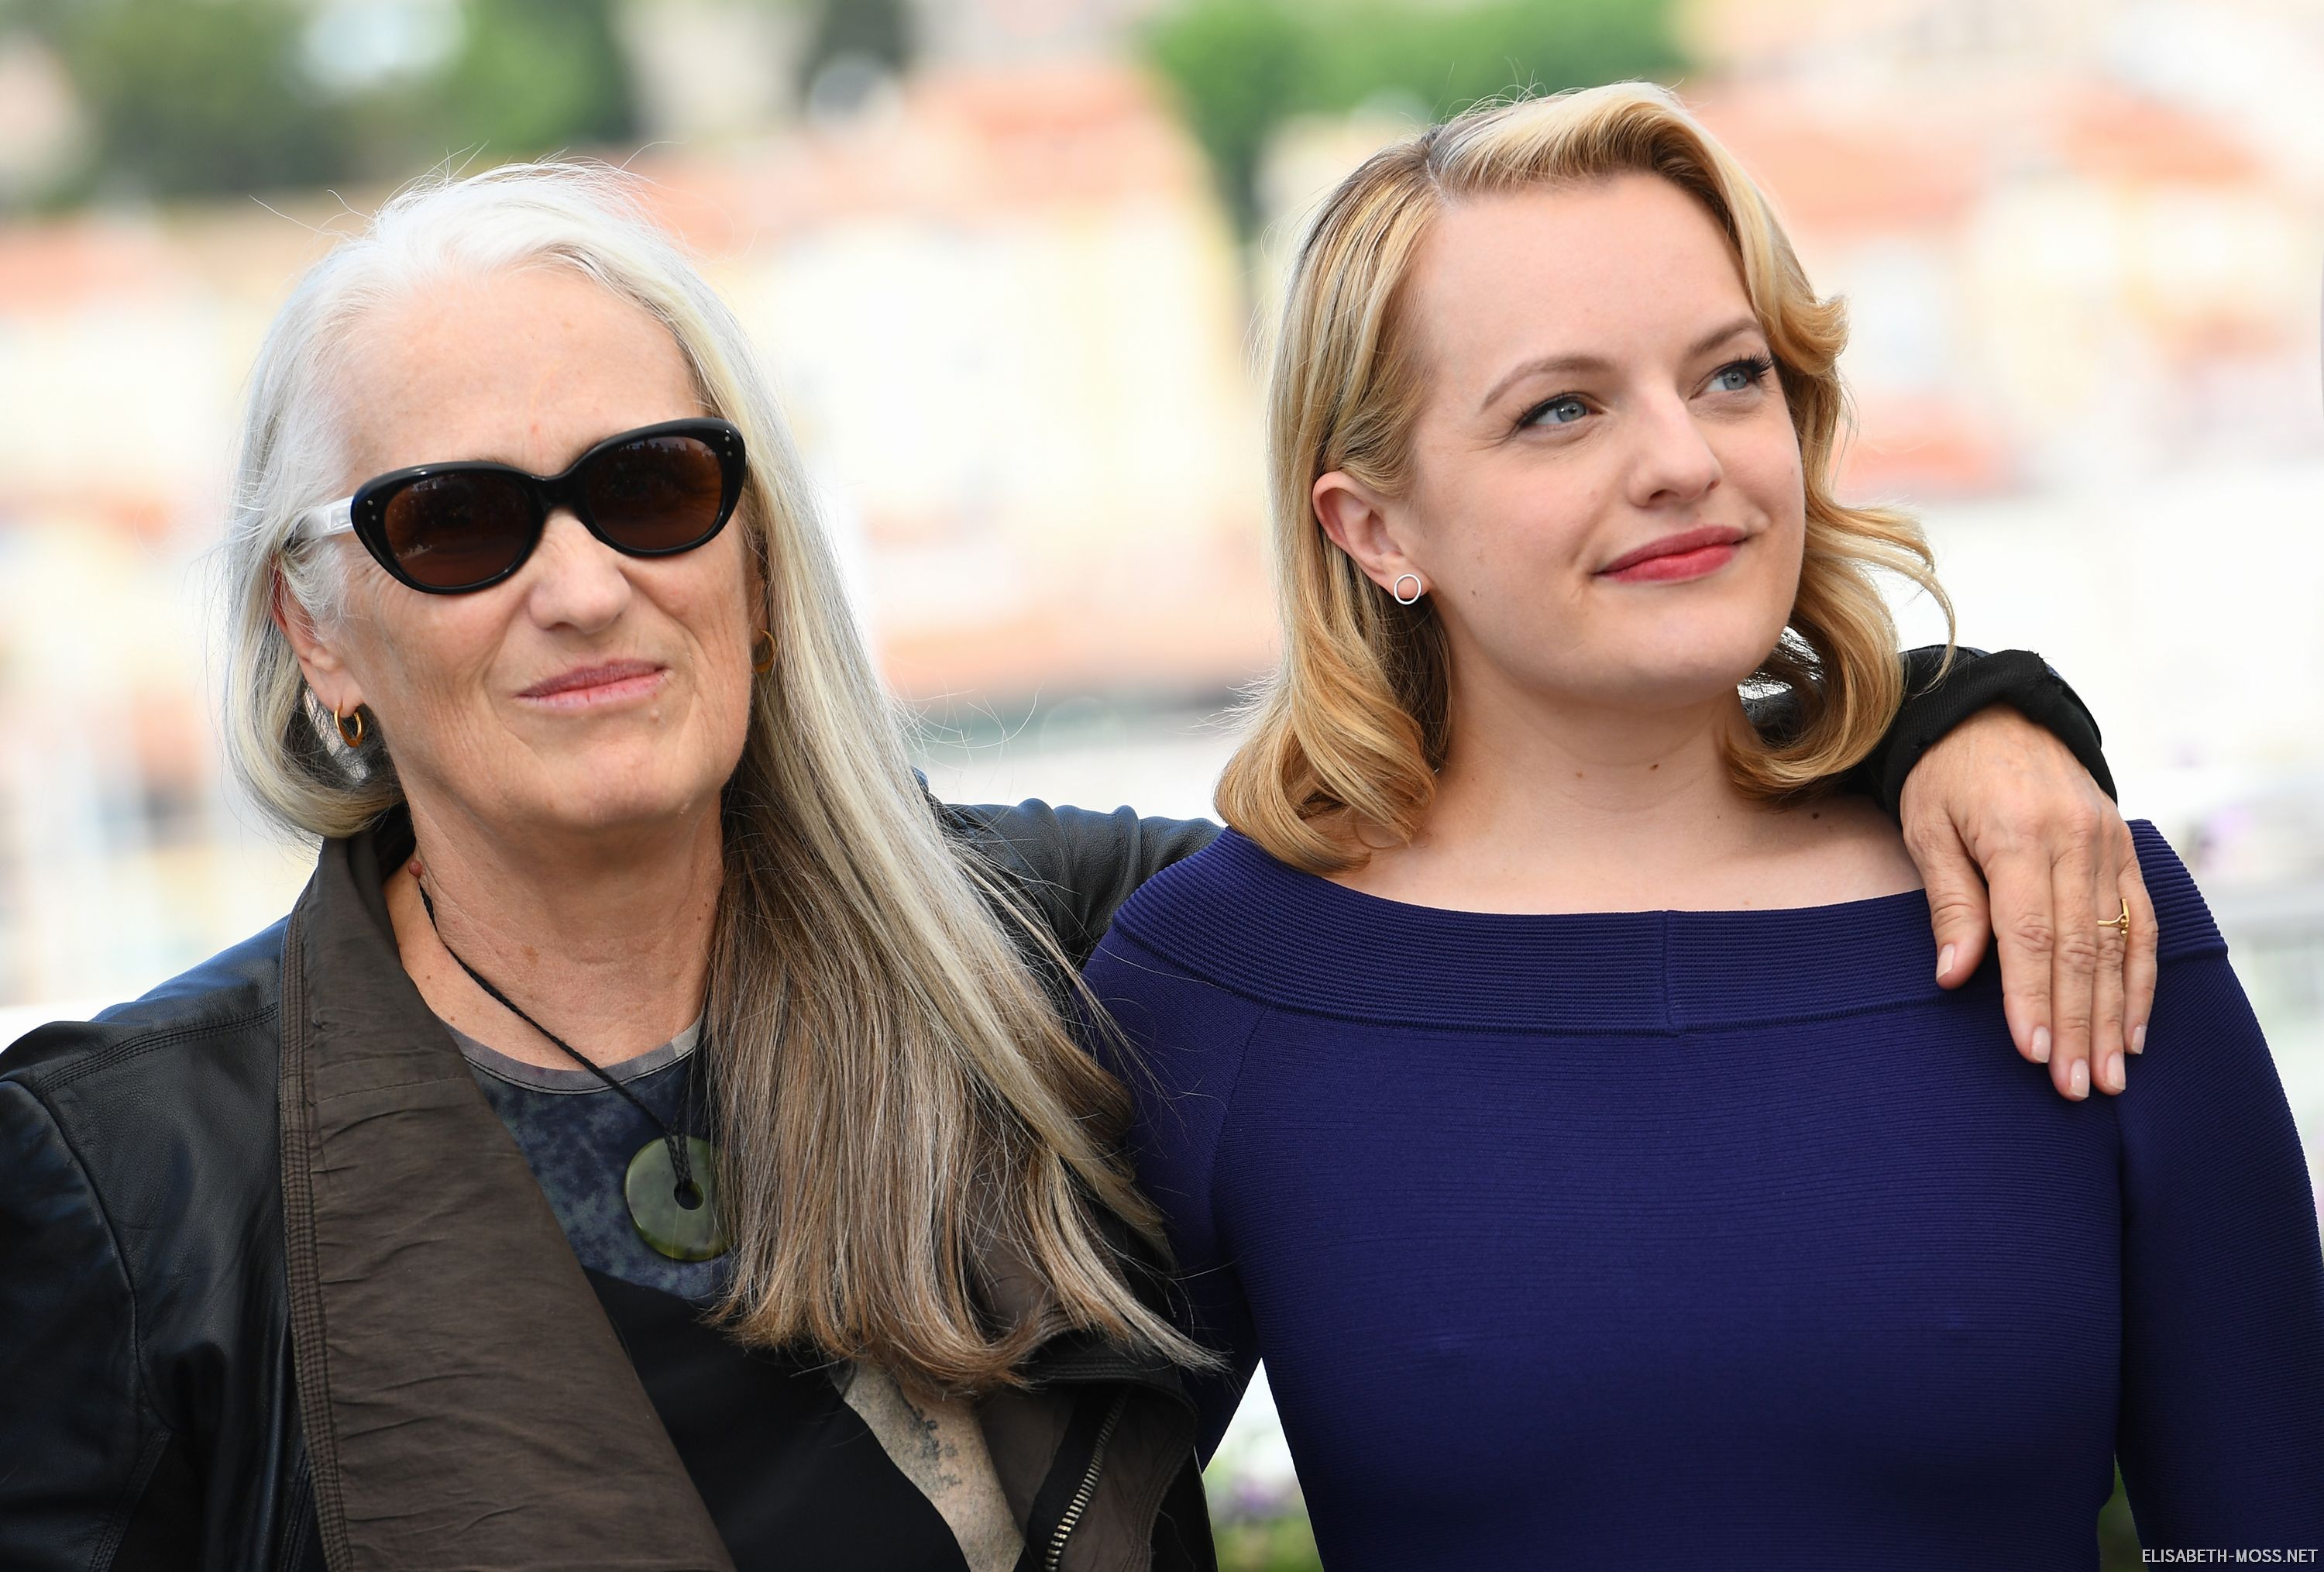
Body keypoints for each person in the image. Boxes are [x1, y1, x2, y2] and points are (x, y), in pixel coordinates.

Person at [0, 160, 2147, 1572]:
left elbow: (1541, 828)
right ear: (316, 631)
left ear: (755, 545)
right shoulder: (130, 1182)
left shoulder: (1089, 956)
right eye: (456, 523)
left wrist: (1957, 716)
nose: (581, 585)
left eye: (652, 487)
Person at [1082, 84, 2324, 1570]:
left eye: (1732, 376)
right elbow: (1039, 1519)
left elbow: (2271, 1536)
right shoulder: (1219, 985)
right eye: (1561, 408)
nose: (1685, 458)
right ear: (1375, 527)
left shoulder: (2064, 902)